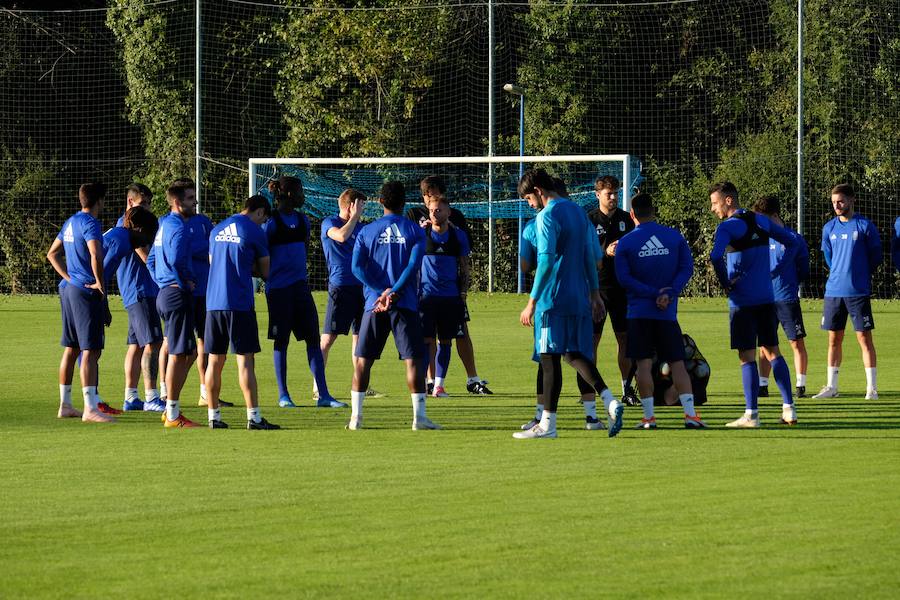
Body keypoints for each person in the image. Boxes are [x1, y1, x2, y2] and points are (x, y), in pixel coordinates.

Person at [515, 169, 624, 439]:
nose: (529, 204)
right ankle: (609, 399)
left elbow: (545, 261)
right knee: (573, 354)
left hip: (552, 300)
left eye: (529, 198)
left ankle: (547, 425)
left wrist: (531, 302)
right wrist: (595, 293)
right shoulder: (578, 212)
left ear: (539, 191)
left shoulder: (546, 217)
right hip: (579, 297)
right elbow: (592, 257)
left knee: (549, 359)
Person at [348, 180, 437, 430]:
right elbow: (412, 266)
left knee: (363, 360)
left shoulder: (366, 231)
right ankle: (419, 419)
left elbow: (356, 268)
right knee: (413, 361)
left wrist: (381, 292)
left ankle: (356, 418)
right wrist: (394, 291)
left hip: (374, 305)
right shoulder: (415, 230)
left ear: (380, 202)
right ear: (404, 202)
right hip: (404, 303)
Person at [709, 181, 798, 427]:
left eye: (715, 203)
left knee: (746, 356)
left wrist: (725, 283)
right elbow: (793, 242)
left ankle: (752, 414)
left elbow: (715, 256)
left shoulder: (728, 227)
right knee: (773, 352)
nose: (713, 209)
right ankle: (789, 408)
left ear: (728, 200)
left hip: (743, 302)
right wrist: (777, 269)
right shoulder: (761, 220)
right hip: (767, 299)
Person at [613, 193, 705, 429]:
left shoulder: (626, 243)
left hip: (639, 314)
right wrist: (669, 292)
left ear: (632, 214)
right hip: (666, 315)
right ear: (654, 211)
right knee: (677, 363)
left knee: (643, 365)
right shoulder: (673, 237)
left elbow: (624, 279)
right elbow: (687, 267)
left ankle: (649, 418)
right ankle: (690, 415)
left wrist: (652, 293)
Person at [264, 176, 346, 409]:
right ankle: (283, 396)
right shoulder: (271, 223)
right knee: (281, 342)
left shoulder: (303, 221)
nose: (303, 196)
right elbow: (260, 254)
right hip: (278, 291)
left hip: (301, 289)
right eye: (300, 192)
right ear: (289, 194)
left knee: (312, 339)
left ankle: (324, 395)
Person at [406, 175, 492, 395]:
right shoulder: (414, 216)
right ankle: (431, 381)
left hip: (451, 293)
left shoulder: (455, 219)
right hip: (425, 293)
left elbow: (464, 254)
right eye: (427, 195)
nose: (431, 199)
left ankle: (472, 379)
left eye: (434, 193)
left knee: (460, 333)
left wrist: (463, 292)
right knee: (427, 337)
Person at [204, 195, 280, 430]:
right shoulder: (254, 231)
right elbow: (265, 272)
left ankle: (213, 417)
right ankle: (254, 417)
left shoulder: (216, 229)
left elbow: (212, 262)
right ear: (259, 212)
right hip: (239, 303)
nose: (263, 223)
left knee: (214, 361)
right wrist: (250, 267)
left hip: (213, 303)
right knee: (245, 361)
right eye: (263, 219)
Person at [46, 183, 113, 423]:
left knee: (72, 348)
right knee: (91, 351)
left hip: (69, 290)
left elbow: (52, 253)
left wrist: (68, 278)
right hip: (85, 292)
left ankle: (65, 405)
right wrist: (99, 284)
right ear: (99, 201)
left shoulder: (70, 222)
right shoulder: (91, 223)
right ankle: (90, 409)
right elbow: (95, 254)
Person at [813, 184, 882, 400]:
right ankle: (832, 387)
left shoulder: (865, 226)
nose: (837, 205)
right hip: (833, 292)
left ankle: (871, 388)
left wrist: (859, 274)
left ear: (852, 200)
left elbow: (875, 257)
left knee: (864, 338)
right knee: (834, 340)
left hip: (857, 291)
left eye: (840, 201)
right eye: (834, 202)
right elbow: (829, 259)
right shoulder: (828, 228)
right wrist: (839, 273)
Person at [150, 180, 200, 428]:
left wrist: (162, 283)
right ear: (178, 203)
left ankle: (170, 406)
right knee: (180, 354)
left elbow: (150, 260)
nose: (195, 202)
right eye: (191, 198)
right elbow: (178, 261)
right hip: (176, 295)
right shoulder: (178, 228)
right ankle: (172, 413)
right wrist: (181, 283)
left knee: (186, 351)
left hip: (164, 294)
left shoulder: (163, 225)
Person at [112, 183, 165, 413]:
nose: (147, 208)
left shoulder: (135, 223)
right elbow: (146, 257)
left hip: (137, 291)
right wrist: (165, 279)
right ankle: (152, 396)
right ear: (130, 202)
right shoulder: (131, 224)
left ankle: (131, 397)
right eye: (142, 203)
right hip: (141, 290)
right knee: (153, 343)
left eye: (149, 203)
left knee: (135, 345)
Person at [751, 196, 810, 398]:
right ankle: (762, 385)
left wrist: (790, 283)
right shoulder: (759, 239)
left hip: (786, 297)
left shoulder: (793, 238)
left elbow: (803, 268)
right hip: (764, 299)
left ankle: (800, 385)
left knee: (796, 341)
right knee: (765, 343)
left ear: (774, 216)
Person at [319, 188, 371, 397]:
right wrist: (355, 218)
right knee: (328, 339)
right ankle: (318, 386)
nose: (363, 210)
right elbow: (340, 237)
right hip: (340, 288)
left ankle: (360, 385)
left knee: (359, 339)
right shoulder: (330, 223)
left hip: (363, 288)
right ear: (351, 206)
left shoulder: (362, 227)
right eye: (360, 206)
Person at [586, 175, 634, 398]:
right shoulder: (589, 221)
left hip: (623, 290)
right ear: (598, 195)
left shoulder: (628, 219)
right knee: (592, 340)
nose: (613, 197)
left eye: (616, 193)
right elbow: (584, 255)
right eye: (609, 194)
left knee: (624, 338)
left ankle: (627, 388)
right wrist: (605, 253)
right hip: (597, 289)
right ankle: (589, 388)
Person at [418, 194, 471, 397]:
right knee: (425, 341)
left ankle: (439, 385)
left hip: (450, 298)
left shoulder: (458, 236)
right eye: (432, 210)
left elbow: (465, 267)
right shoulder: (421, 235)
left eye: (439, 210)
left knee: (446, 341)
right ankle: (423, 384)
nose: (434, 213)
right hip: (426, 297)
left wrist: (463, 293)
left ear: (448, 212)